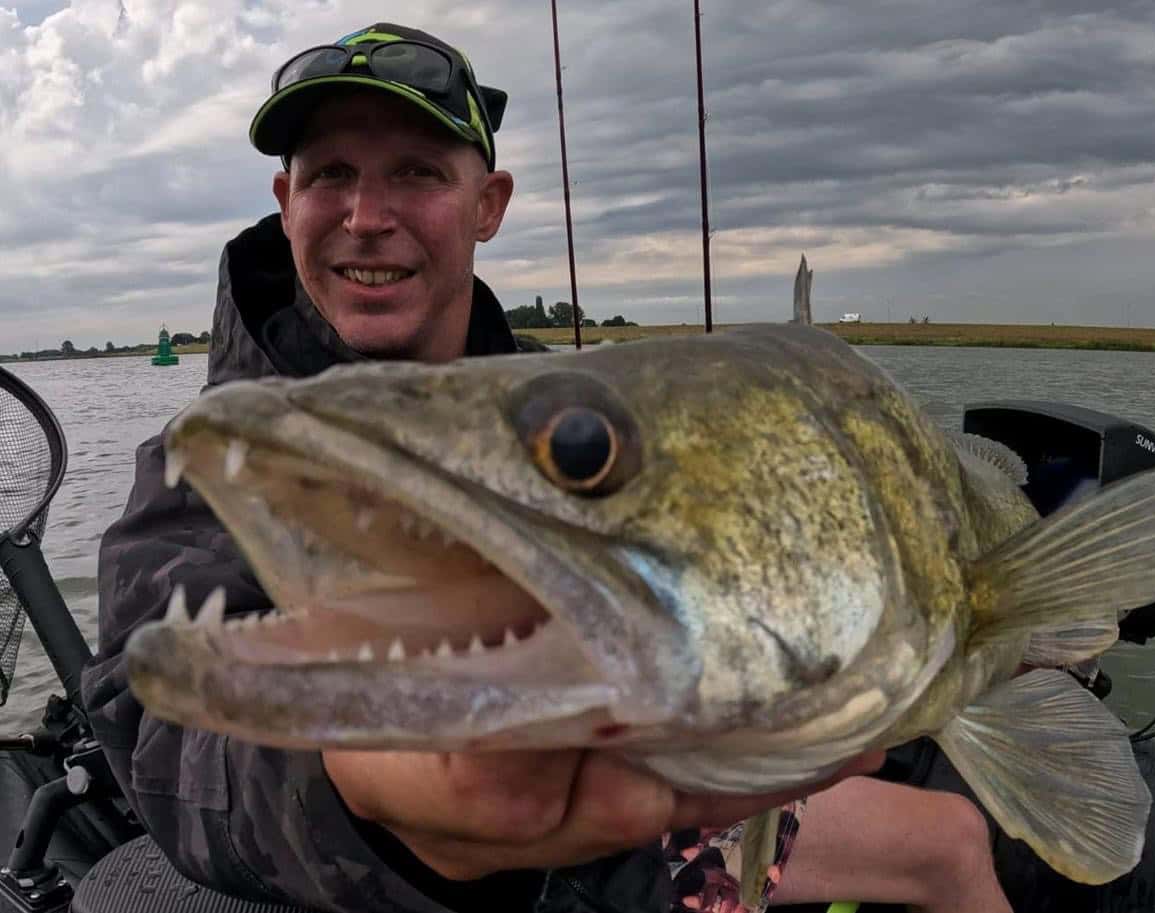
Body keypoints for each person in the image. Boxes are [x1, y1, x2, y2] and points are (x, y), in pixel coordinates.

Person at [79, 21, 1009, 913]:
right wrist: (352, 782)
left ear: (489, 205)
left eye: (416, 172)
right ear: (287, 207)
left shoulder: (567, 405)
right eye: (330, 175)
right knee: (946, 841)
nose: (368, 216)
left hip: (664, 795)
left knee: (953, 830)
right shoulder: (218, 453)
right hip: (482, 874)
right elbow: (154, 727)